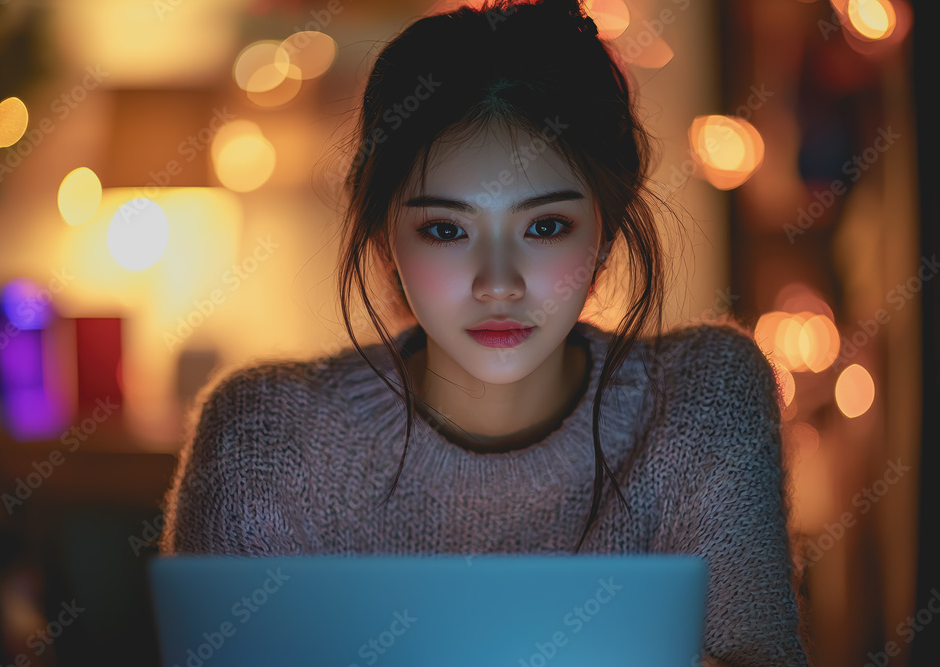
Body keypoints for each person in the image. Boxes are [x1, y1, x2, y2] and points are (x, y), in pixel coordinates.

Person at [158, 0, 812, 663]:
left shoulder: (703, 403)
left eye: (545, 226)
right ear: (386, 238)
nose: (498, 283)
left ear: (606, 232)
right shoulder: (264, 435)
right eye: (445, 229)